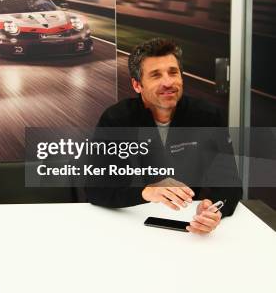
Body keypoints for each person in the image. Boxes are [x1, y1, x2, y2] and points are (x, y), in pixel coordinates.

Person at [86, 38, 242, 234]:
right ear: (137, 85)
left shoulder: (208, 116)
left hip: (186, 223)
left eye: (173, 72)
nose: (168, 82)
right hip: (129, 223)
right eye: (156, 75)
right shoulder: (116, 119)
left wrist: (215, 208)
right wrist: (146, 192)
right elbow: (96, 190)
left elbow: (230, 184)